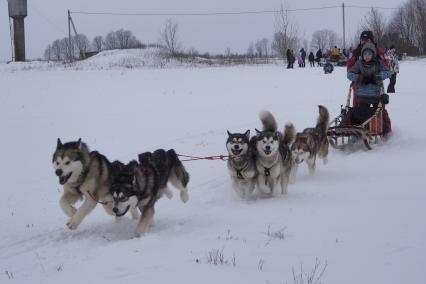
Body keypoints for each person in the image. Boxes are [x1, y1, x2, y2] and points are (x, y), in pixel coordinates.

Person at [347, 42, 391, 133]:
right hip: (362, 95)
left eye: (369, 54)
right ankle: (361, 130)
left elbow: (388, 72)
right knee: (361, 115)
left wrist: (376, 77)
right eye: (365, 54)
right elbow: (349, 74)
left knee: (379, 113)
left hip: (376, 95)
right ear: (362, 55)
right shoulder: (359, 64)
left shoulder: (378, 63)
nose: (367, 56)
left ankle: (380, 130)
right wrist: (360, 78)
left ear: (373, 54)